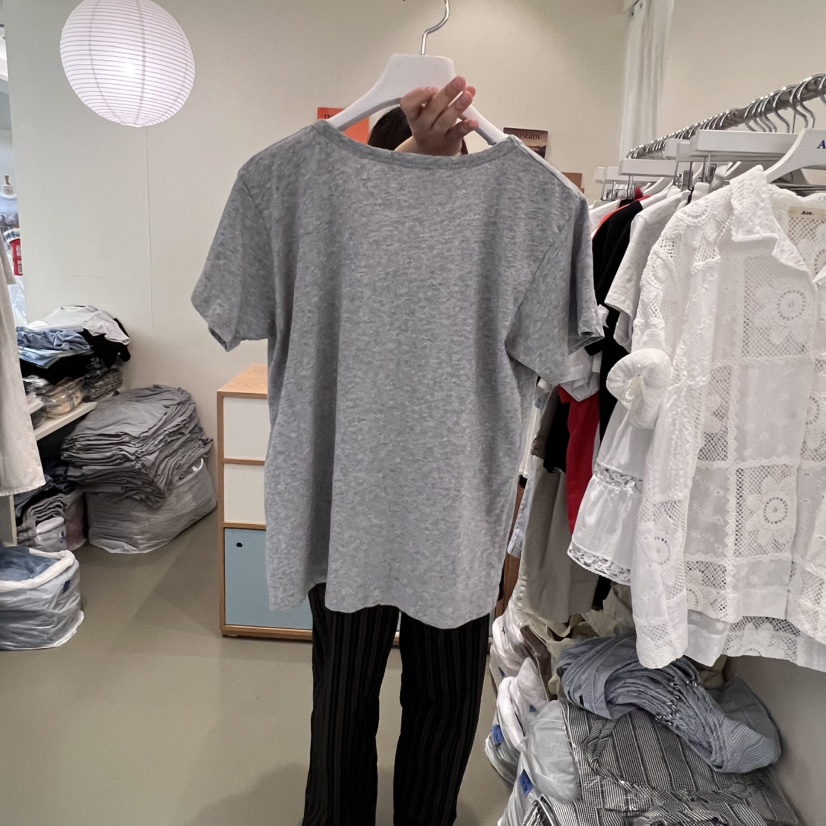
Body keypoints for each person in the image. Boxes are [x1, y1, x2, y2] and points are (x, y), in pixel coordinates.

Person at [303, 79, 491, 826]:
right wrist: (417, 161)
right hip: (356, 501)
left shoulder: (497, 221)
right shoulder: (331, 219)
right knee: (347, 694)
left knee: (439, 693)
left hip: (454, 502)